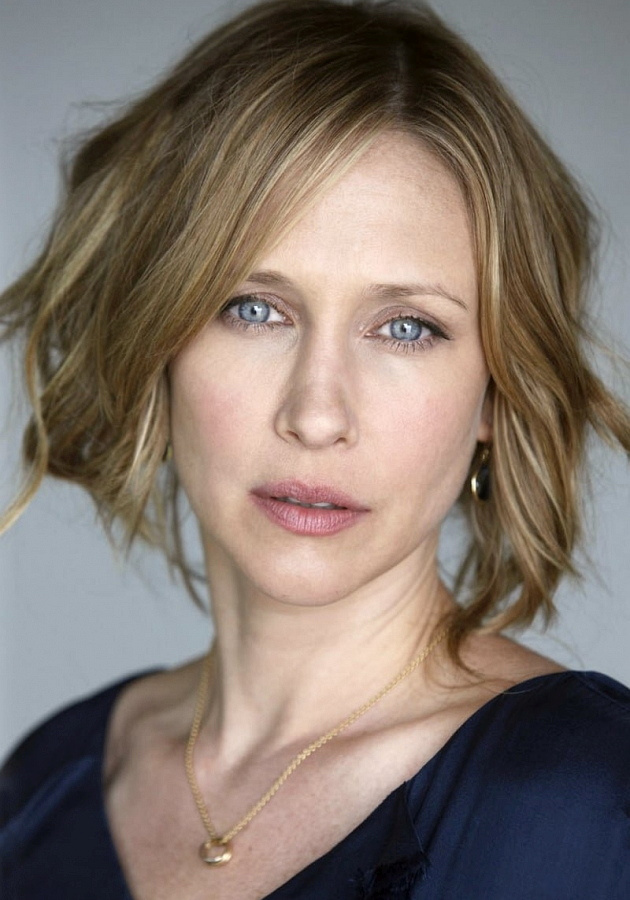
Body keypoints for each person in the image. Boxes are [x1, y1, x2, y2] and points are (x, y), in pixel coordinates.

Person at [1, 0, 629, 897]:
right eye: (254, 309)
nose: (317, 413)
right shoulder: (46, 784)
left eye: (406, 327)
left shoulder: (583, 797)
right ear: (157, 340)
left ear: (498, 390)